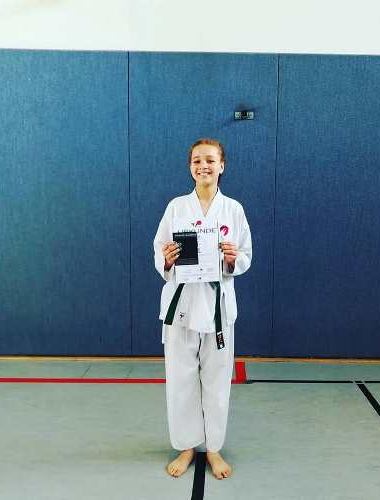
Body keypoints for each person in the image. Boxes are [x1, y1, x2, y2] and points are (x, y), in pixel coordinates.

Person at [153, 138, 252, 480]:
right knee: (180, 381)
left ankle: (213, 449)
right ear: (190, 167)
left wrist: (232, 259)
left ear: (222, 165)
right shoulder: (176, 208)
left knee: (217, 381)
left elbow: (246, 255)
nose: (203, 166)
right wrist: (166, 259)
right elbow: (159, 250)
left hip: (217, 310)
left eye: (210, 160)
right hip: (182, 307)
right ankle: (186, 446)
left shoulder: (233, 210)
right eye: (197, 160)